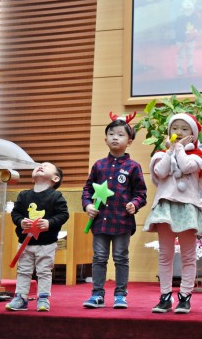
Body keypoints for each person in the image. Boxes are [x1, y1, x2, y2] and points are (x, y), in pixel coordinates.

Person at [144, 113, 202, 314]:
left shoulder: (197, 155)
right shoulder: (161, 154)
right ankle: (165, 297)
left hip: (188, 207)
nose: (179, 132)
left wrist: (179, 149)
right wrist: (171, 149)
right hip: (166, 207)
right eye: (175, 128)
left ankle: (185, 297)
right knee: (165, 255)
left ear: (193, 134)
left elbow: (186, 166)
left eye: (184, 128)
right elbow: (161, 172)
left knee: (189, 256)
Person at [82, 112, 147, 309]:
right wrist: (88, 205)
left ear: (130, 141)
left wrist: (134, 204)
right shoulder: (99, 165)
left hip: (122, 222)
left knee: (121, 258)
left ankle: (120, 295)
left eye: (120, 134)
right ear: (105, 139)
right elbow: (87, 189)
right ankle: (97, 295)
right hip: (100, 221)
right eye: (111, 134)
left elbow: (141, 193)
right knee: (99, 258)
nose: (115, 137)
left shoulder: (133, 167)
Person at [5, 162, 69, 312]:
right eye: (39, 165)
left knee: (44, 271)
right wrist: (21, 222)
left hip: (46, 243)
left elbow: (63, 215)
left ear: (55, 178)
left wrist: (49, 222)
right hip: (25, 243)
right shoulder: (23, 195)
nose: (41, 166)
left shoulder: (56, 196)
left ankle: (43, 298)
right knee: (23, 270)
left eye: (46, 166)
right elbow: (15, 214)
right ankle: (21, 298)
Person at [173, 0, 201, 76]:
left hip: (191, 39)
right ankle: (180, 68)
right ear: (182, 9)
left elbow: (197, 25)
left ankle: (190, 67)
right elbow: (177, 29)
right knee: (181, 55)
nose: (188, 11)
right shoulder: (179, 18)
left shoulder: (194, 17)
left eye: (190, 9)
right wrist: (185, 33)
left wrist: (195, 31)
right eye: (186, 9)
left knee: (190, 54)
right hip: (181, 40)